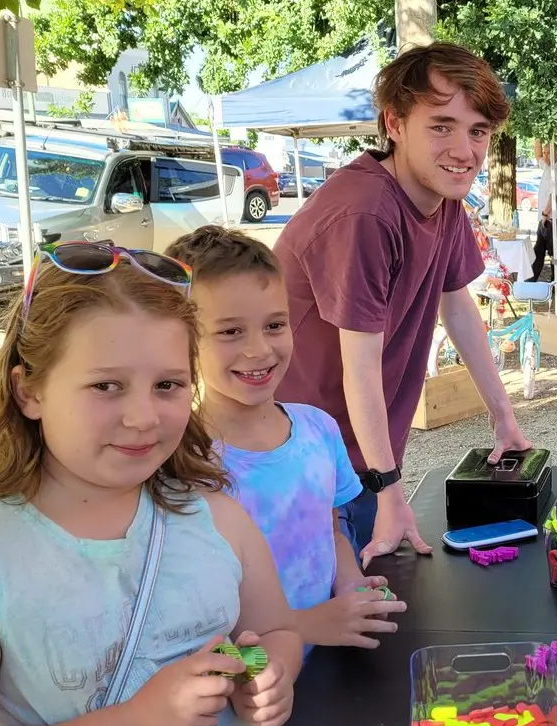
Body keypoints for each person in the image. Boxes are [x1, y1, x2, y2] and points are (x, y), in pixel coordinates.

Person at [0, 243, 302, 726]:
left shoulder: (221, 521)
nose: (144, 417)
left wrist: (268, 672)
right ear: (29, 392)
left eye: (168, 385)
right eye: (107, 386)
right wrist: (134, 725)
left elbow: (276, 632)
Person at [273, 42, 532, 568]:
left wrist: (503, 417)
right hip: (303, 459)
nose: (465, 149)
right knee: (325, 623)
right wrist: (390, 489)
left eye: (478, 131)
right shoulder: (364, 213)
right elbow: (360, 366)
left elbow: (457, 307)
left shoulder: (446, 200)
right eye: (441, 126)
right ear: (394, 124)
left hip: (362, 456)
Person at [166, 227, 409, 651]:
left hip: (327, 665)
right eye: (230, 332)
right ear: (182, 341)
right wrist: (306, 626)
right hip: (248, 690)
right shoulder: (182, 461)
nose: (259, 349)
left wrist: (351, 584)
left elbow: (331, 534)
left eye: (275, 324)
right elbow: (193, 612)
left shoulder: (319, 429)